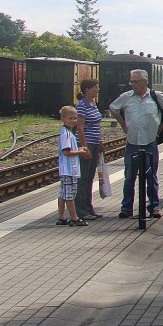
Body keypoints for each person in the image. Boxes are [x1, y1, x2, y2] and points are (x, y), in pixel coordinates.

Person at [109, 69, 163, 220]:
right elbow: (113, 108)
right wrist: (123, 124)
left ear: (144, 82)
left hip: (150, 142)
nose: (133, 85)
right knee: (130, 176)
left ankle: (154, 206)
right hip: (132, 142)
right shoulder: (126, 97)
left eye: (136, 82)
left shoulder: (155, 96)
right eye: (132, 82)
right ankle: (127, 207)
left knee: (151, 176)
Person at [74, 79, 104, 220]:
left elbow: (96, 126)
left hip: (94, 144)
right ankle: (81, 210)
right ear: (87, 90)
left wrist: (100, 142)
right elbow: (80, 127)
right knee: (83, 178)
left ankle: (89, 207)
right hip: (85, 144)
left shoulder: (93, 105)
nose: (97, 90)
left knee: (90, 177)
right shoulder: (81, 106)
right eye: (95, 88)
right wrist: (85, 148)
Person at [57, 106, 89, 226]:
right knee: (70, 194)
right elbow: (66, 152)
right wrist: (80, 152)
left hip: (67, 169)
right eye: (70, 118)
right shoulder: (66, 134)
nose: (73, 121)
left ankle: (61, 217)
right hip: (69, 169)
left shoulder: (68, 132)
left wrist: (78, 149)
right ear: (63, 119)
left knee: (63, 193)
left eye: (75, 118)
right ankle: (74, 218)